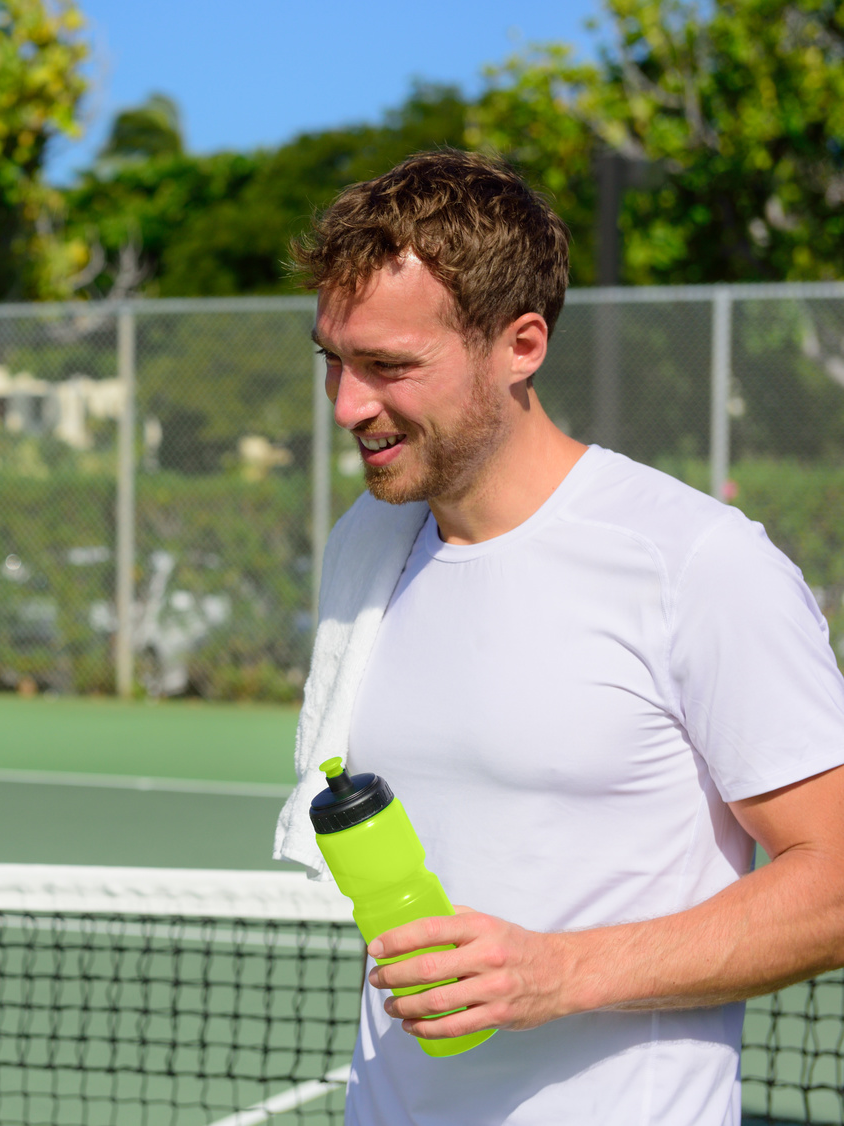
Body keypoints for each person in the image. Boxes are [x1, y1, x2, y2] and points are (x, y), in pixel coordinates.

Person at [273, 150, 844, 1124]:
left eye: (389, 366)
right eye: (333, 357)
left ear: (521, 344)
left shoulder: (696, 563)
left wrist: (558, 972)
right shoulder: (368, 541)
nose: (346, 405)